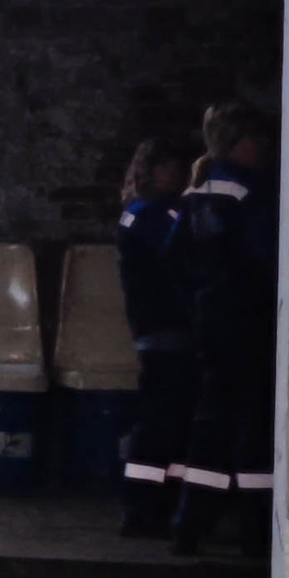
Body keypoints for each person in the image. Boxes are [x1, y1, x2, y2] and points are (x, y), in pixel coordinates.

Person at [170, 102, 279, 559]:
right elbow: (268, 253)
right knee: (253, 420)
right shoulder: (252, 188)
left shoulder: (194, 189)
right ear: (240, 142)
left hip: (208, 316)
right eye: (258, 139)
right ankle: (258, 529)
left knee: (210, 418)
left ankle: (189, 523)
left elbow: (173, 256)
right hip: (248, 316)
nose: (266, 148)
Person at [112, 137, 194, 538]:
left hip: (170, 329)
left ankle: (159, 504)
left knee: (172, 421)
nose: (175, 174)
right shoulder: (146, 215)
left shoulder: (155, 212)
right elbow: (175, 251)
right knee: (160, 420)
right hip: (163, 329)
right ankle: (141, 506)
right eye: (167, 166)